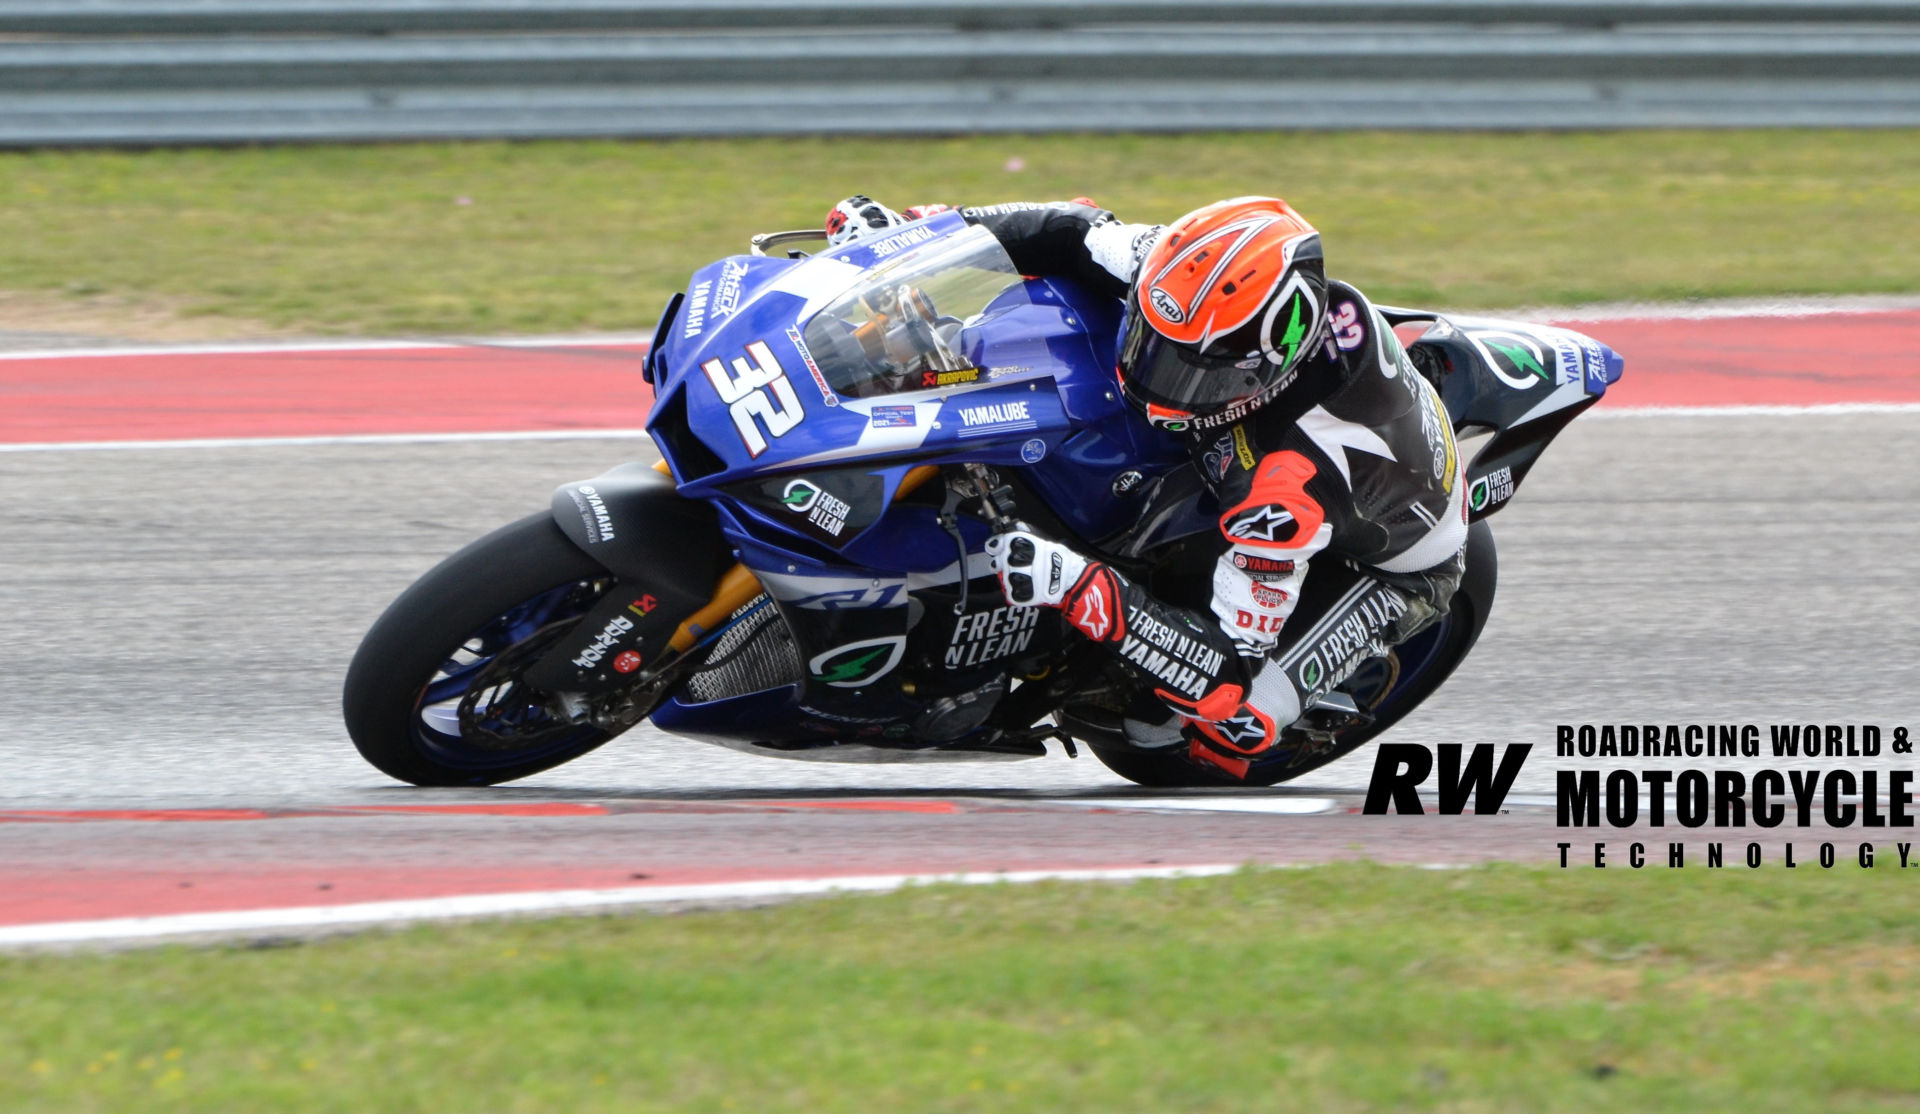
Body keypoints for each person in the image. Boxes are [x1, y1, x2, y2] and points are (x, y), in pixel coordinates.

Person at [823, 194, 1467, 779]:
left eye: (1192, 374)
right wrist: (914, 241)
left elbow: (1225, 673)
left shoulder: (1284, 486)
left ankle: (1335, 670)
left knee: (1234, 728)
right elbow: (1070, 227)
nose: (1158, 383)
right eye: (1155, 345)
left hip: (1392, 564)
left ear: (1258, 374)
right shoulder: (1184, 279)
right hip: (1290, 444)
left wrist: (1079, 587)